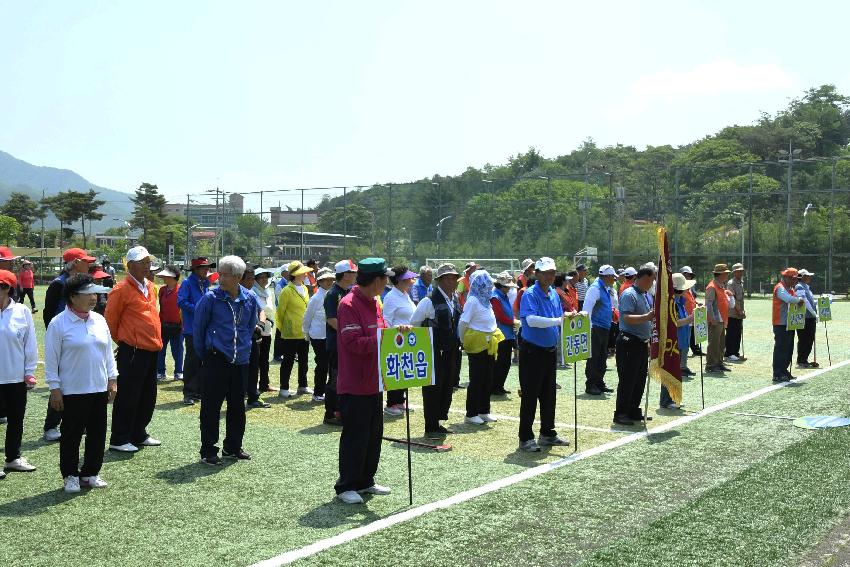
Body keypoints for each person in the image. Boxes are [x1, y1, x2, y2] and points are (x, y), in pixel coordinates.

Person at [44, 273, 117, 492]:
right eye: (88, 294)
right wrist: (54, 388)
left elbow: (108, 354)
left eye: (94, 293)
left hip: (98, 388)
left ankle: (90, 473)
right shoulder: (59, 323)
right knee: (71, 434)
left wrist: (112, 379)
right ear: (73, 297)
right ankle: (70, 475)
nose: (93, 298)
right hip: (73, 389)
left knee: (97, 433)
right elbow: (51, 359)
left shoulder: (100, 320)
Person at [334, 258, 394, 504]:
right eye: (385, 278)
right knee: (355, 436)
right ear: (377, 280)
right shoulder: (348, 304)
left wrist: (395, 332)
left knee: (373, 434)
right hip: (355, 383)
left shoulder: (375, 302)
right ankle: (346, 485)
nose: (387, 282)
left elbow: (383, 329)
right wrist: (384, 339)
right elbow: (353, 343)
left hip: (375, 381)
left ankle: (366, 480)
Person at [192, 256, 259, 465]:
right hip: (216, 359)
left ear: (238, 277)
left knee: (238, 406)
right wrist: (207, 355)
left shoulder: (249, 298)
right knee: (211, 407)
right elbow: (198, 329)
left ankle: (233, 447)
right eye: (220, 273)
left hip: (241, 361)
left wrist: (244, 348)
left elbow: (250, 326)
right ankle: (208, 450)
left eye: (226, 274)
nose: (220, 278)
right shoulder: (210, 298)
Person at [105, 246, 163, 453]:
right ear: (130, 266)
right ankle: (119, 438)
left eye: (148, 261)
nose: (147, 266)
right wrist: (125, 342)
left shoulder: (149, 286)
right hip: (133, 350)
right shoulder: (121, 289)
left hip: (151, 348)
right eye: (143, 262)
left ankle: (138, 432)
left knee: (148, 395)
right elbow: (111, 320)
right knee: (128, 395)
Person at [516, 257, 570, 452]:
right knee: (530, 395)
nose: (550, 276)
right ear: (536, 274)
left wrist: (565, 320)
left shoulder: (554, 294)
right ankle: (525, 437)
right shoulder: (529, 294)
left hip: (549, 351)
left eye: (552, 272)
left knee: (549, 395)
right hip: (532, 351)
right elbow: (530, 320)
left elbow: (560, 318)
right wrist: (558, 321)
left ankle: (547, 433)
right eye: (546, 272)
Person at [41, 247, 95, 442]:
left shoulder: (86, 284)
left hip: (81, 339)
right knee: (61, 382)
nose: (89, 264)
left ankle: (77, 423)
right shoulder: (58, 284)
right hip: (63, 338)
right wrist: (55, 336)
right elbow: (48, 313)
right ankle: (51, 425)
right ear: (74, 263)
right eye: (85, 261)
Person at [411, 263, 461, 439]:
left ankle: (438, 422)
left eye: (454, 277)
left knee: (447, 386)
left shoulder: (454, 298)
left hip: (450, 350)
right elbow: (415, 323)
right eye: (448, 277)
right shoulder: (428, 300)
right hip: (433, 351)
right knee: (433, 388)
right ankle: (430, 426)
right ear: (439, 280)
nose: (452, 281)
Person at [0, 269, 38, 479]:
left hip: (15, 377)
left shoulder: (22, 311)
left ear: (6, 288)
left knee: (16, 419)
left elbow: (29, 343)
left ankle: (12, 457)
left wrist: (29, 371)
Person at [459, 269, 503, 425]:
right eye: (485, 283)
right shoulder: (472, 301)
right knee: (477, 379)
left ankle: (484, 411)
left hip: (489, 342)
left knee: (488, 378)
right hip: (477, 343)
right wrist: (463, 341)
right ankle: (471, 413)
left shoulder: (486, 300)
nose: (488, 286)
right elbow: (463, 323)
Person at [613, 266, 655, 425]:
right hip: (629, 342)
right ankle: (621, 413)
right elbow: (626, 318)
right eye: (651, 280)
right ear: (644, 278)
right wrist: (647, 316)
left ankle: (633, 409)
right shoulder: (629, 294)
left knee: (639, 379)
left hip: (641, 343)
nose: (652, 283)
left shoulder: (644, 295)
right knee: (627, 380)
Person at [324, 259, 358, 426]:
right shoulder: (332, 294)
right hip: (337, 343)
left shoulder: (349, 291)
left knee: (344, 378)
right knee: (335, 378)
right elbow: (331, 319)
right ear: (345, 275)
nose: (355, 275)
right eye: (352, 272)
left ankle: (341, 411)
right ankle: (330, 413)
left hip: (346, 343)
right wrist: (349, 333)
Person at [381, 265, 418, 416]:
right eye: (408, 278)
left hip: (408, 340)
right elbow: (386, 321)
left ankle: (400, 400)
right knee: (395, 371)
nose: (411, 281)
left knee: (405, 370)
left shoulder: (405, 294)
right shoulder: (391, 297)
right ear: (399, 281)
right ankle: (391, 403)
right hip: (396, 339)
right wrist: (398, 328)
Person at [177, 257, 214, 405]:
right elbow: (181, 301)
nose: (207, 270)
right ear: (196, 269)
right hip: (192, 328)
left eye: (208, 268)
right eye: (204, 268)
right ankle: (189, 393)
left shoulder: (205, 283)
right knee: (192, 360)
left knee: (202, 359)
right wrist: (198, 310)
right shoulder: (187, 283)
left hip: (203, 328)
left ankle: (198, 390)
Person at [276, 260, 313, 398]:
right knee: (288, 361)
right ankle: (284, 388)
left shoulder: (304, 288)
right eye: (302, 273)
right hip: (290, 333)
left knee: (304, 360)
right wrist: (283, 329)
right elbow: (280, 313)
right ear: (295, 275)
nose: (305, 275)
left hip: (304, 332)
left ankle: (302, 385)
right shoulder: (287, 291)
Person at [660, 273, 696, 409]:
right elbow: (672, 323)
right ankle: (666, 400)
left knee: (676, 372)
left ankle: (673, 398)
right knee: (669, 372)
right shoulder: (671, 303)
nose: (686, 291)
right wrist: (690, 319)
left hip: (680, 341)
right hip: (672, 343)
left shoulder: (680, 302)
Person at [583, 265, 618, 395]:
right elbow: (587, 310)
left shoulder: (605, 288)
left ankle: (599, 382)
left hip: (604, 327)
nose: (614, 279)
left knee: (602, 356)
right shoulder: (595, 289)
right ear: (607, 277)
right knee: (594, 356)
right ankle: (591, 384)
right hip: (595, 328)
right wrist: (590, 327)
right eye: (613, 277)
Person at [303, 267, 335, 403]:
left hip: (330, 335)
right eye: (325, 280)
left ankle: (328, 391)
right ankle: (318, 392)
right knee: (322, 364)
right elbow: (307, 317)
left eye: (331, 279)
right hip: (318, 336)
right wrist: (306, 333)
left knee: (330, 365)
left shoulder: (333, 295)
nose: (329, 282)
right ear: (319, 281)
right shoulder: (316, 298)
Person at [772, 267, 805, 383]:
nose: (795, 281)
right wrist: (799, 300)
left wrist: (798, 299)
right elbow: (788, 299)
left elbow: (794, 298)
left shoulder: (790, 288)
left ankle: (784, 371)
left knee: (788, 348)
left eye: (795, 279)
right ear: (786, 277)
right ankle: (777, 373)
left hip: (788, 323)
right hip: (780, 323)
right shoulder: (780, 288)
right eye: (792, 278)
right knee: (781, 348)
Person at [490, 271, 519, 396]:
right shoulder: (495, 297)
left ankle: (500, 385)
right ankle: (494, 386)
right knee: (500, 362)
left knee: (506, 362)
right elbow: (499, 316)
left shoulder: (503, 295)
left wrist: (513, 320)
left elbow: (509, 311)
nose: (509, 289)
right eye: (508, 287)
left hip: (508, 333)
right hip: (500, 334)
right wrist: (513, 321)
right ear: (502, 286)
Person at [155, 266, 184, 382]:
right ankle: (160, 372)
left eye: (166, 276)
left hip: (178, 326)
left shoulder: (181, 290)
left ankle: (178, 372)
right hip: (163, 325)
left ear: (173, 277)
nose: (163, 278)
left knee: (177, 350)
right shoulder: (162, 290)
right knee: (160, 350)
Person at [704, 264, 732, 374]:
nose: (727, 275)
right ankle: (711, 365)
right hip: (715, 320)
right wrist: (712, 318)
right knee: (714, 344)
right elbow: (709, 304)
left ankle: (719, 363)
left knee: (721, 343)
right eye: (725, 273)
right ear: (720, 274)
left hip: (721, 320)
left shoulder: (720, 285)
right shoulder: (712, 286)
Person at [252, 268, 276, 393]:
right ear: (255, 279)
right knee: (255, 359)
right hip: (257, 330)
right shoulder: (252, 291)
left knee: (265, 359)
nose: (264, 279)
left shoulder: (267, 291)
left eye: (266, 277)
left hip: (268, 329)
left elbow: (270, 310)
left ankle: (264, 384)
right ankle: (252, 385)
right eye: (261, 277)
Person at [795, 269, 819, 369]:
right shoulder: (799, 286)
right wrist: (814, 313)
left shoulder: (806, 287)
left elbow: (811, 301)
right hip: (804, 317)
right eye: (807, 276)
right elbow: (804, 301)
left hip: (810, 318)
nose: (809, 277)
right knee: (804, 339)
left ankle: (804, 359)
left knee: (809, 339)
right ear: (803, 277)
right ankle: (801, 360)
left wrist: (823, 302)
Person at [724, 263, 747, 362]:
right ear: (734, 272)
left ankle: (735, 353)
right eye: (738, 271)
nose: (741, 273)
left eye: (741, 271)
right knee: (731, 333)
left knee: (738, 333)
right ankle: (729, 353)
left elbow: (741, 300)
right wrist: (739, 311)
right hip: (732, 313)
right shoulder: (731, 283)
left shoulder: (740, 282)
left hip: (739, 313)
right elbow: (732, 298)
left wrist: (742, 311)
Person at [680, 265, 703, 357]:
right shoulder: (679, 288)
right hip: (683, 317)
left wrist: (697, 303)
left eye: (689, 275)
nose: (688, 277)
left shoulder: (689, 288)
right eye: (686, 275)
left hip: (692, 315)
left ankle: (695, 350)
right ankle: (682, 361)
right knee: (684, 339)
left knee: (692, 335)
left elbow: (691, 299)